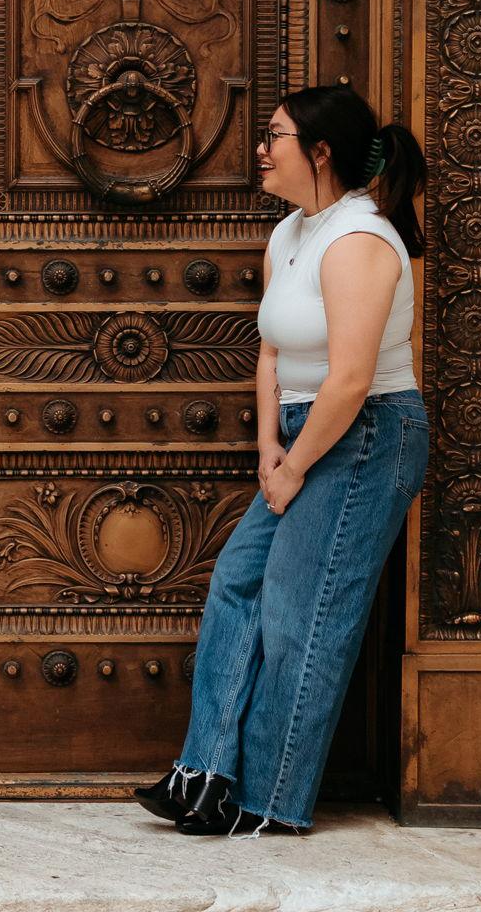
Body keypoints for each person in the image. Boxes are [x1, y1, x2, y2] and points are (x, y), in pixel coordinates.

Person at [136, 83, 430, 836]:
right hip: (303, 433)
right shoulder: (293, 231)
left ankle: (270, 804)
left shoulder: (359, 239)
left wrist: (295, 464)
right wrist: (270, 446)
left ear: (320, 152)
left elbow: (354, 377)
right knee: (238, 583)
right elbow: (269, 350)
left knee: (304, 617)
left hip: (363, 434)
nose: (261, 150)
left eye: (275, 137)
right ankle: (203, 778)